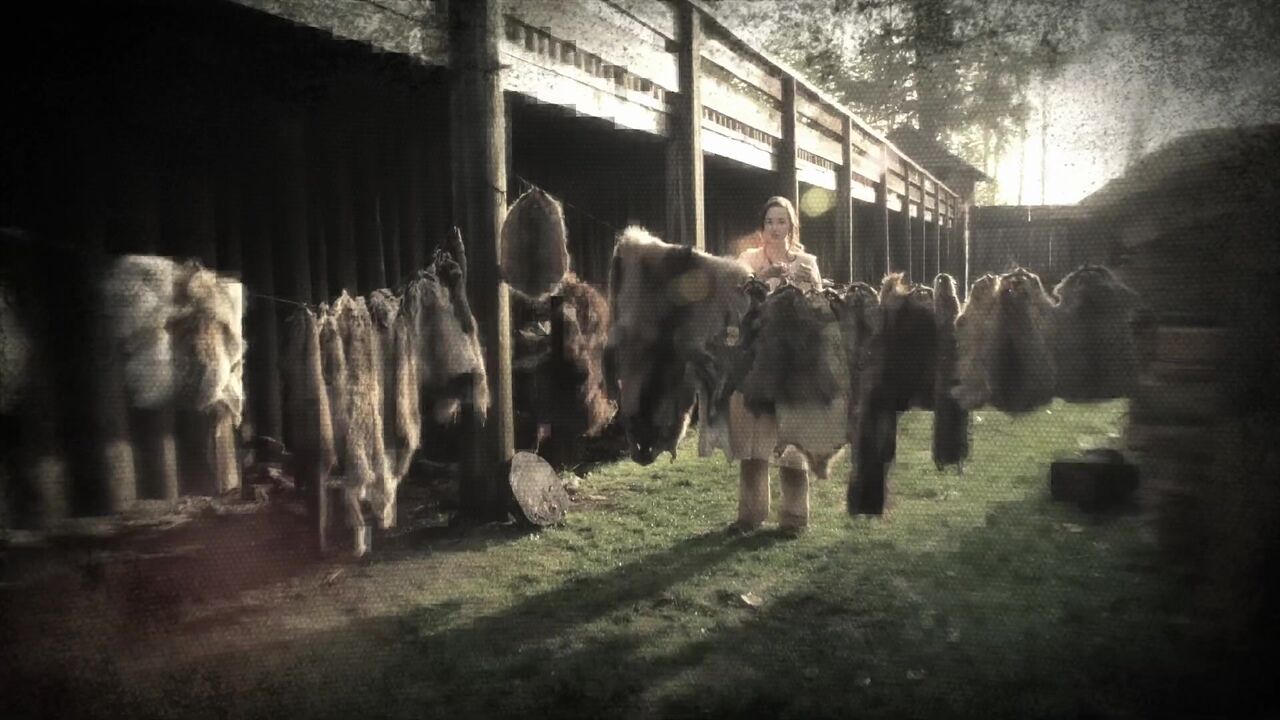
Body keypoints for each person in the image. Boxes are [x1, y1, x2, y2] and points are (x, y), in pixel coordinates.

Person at [728, 196, 821, 533]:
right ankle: (751, 515)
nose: (775, 228)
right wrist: (761, 275)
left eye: (782, 221)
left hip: (792, 363)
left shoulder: (807, 260)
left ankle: (794, 518)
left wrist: (809, 284)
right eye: (770, 221)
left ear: (791, 226)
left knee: (792, 442)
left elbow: (820, 311)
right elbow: (734, 299)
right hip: (754, 362)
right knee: (754, 441)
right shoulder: (748, 259)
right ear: (762, 227)